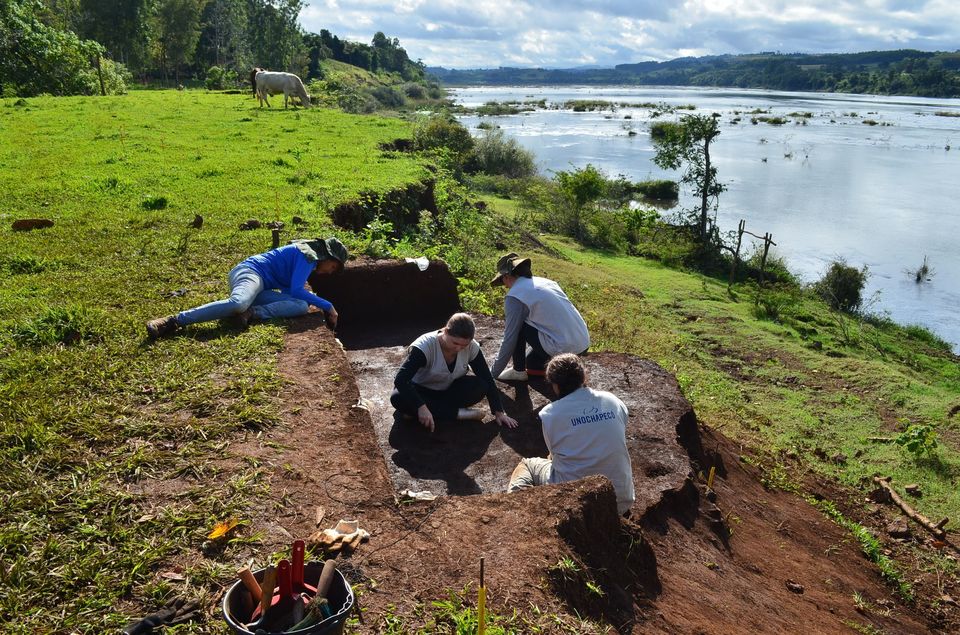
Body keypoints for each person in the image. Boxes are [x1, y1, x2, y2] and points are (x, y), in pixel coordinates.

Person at [507, 353, 635, 516]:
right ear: (583, 377)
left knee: (528, 465)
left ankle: (517, 515)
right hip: (620, 501)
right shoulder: (613, 401)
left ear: (555, 385)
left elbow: (553, 456)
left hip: (575, 506)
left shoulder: (550, 414)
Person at [145, 237, 347, 339]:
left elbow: (291, 295)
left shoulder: (308, 260)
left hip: (261, 289)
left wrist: (311, 300)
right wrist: (328, 306)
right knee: (238, 303)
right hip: (251, 273)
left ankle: (253, 313)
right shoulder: (307, 256)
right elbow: (295, 289)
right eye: (333, 267)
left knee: (301, 306)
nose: (330, 272)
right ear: (329, 257)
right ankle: (174, 321)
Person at [391, 313, 519, 432]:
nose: (458, 348)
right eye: (455, 343)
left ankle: (421, 412)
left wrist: (499, 412)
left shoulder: (472, 346)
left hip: (447, 391)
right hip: (421, 391)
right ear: (446, 331)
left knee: (481, 385)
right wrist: (420, 406)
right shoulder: (425, 346)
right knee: (397, 398)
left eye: (464, 345)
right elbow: (400, 380)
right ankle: (458, 414)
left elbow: (486, 376)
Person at [489, 252, 590, 382]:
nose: (505, 286)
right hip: (582, 344)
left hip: (563, 348)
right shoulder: (547, 282)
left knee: (518, 326)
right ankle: (555, 366)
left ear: (507, 276)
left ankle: (518, 371)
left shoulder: (515, 296)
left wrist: (492, 374)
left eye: (502, 281)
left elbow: (510, 338)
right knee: (531, 363)